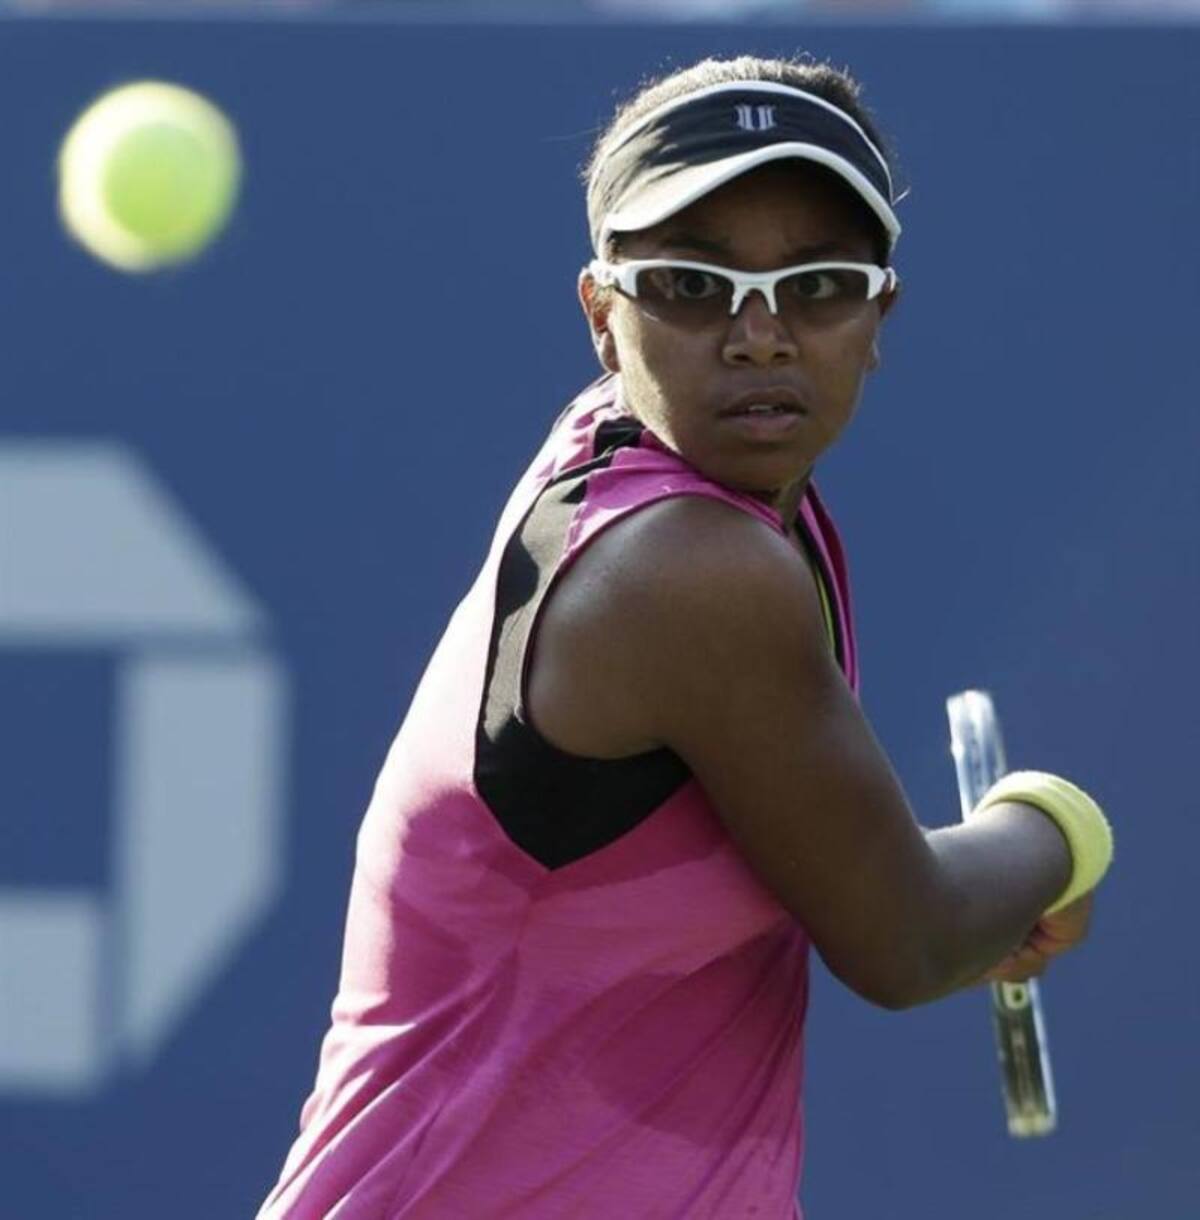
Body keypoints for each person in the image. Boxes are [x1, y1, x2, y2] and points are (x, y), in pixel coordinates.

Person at [258, 54, 1113, 1219]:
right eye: (691, 286)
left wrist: (961, 886)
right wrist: (1052, 829)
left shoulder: (670, 472)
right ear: (605, 316)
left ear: (879, 315)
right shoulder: (691, 569)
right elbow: (906, 936)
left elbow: (838, 866)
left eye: (816, 286)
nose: (760, 334)